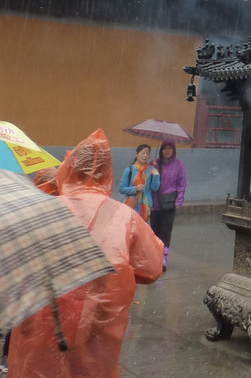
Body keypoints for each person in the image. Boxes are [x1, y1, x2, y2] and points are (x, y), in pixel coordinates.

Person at [8, 129, 164, 378]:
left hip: (38, 334)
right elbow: (152, 268)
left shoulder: (39, 210)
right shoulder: (126, 219)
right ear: (107, 174)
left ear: (69, 168)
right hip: (95, 337)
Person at [151, 139, 187, 271]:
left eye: (169, 148)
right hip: (155, 203)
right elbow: (148, 183)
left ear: (173, 150)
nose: (167, 151)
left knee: (166, 231)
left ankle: (163, 258)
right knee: (154, 232)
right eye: (164, 148)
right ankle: (155, 256)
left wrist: (179, 201)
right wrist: (152, 167)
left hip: (170, 203)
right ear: (160, 150)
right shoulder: (154, 163)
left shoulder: (179, 165)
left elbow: (182, 184)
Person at [118, 143, 161, 222]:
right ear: (136, 154)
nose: (145, 156)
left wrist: (156, 176)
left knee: (142, 231)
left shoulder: (151, 170)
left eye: (147, 154)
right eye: (143, 153)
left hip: (145, 206)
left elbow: (154, 188)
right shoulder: (129, 170)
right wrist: (135, 189)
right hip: (131, 205)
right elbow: (121, 189)